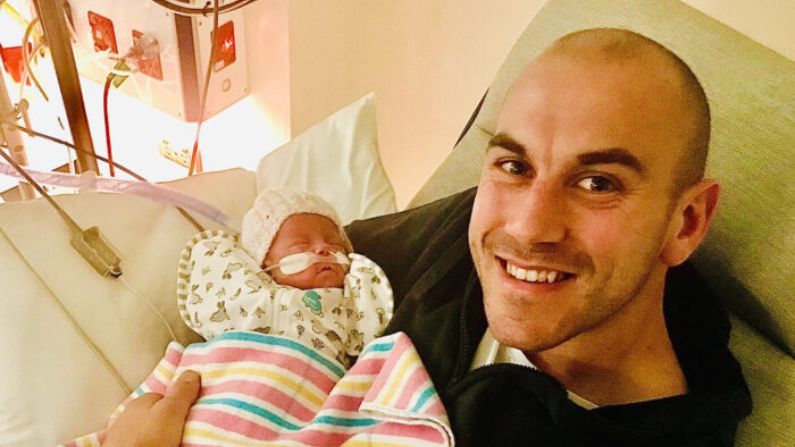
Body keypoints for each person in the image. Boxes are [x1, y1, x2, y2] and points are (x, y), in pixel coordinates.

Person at [102, 28, 752, 446]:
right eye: (513, 163)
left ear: (685, 222)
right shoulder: (462, 231)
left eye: (597, 183)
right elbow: (331, 251)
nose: (526, 226)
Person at [90, 189, 452, 447]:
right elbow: (194, 360)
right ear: (265, 263)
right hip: (225, 384)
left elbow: (370, 366)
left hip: (309, 391)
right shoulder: (242, 299)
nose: (323, 249)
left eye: (334, 244)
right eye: (300, 246)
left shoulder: (353, 305)